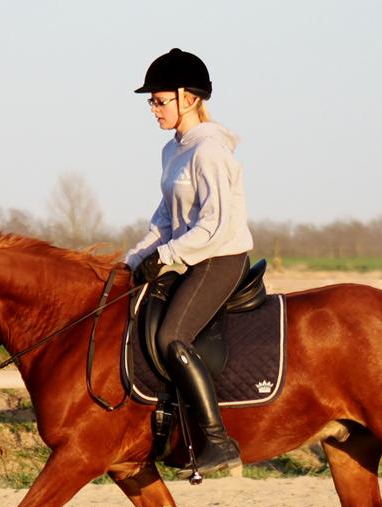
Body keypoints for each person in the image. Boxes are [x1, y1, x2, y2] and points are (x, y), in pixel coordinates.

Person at [125, 47, 253, 477]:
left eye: (160, 101)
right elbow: (166, 219)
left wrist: (167, 256)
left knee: (172, 336)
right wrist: (133, 259)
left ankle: (218, 440)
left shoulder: (210, 151)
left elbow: (215, 224)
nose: (154, 109)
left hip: (220, 257)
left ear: (190, 99)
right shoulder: (172, 151)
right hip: (189, 257)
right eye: (151, 102)